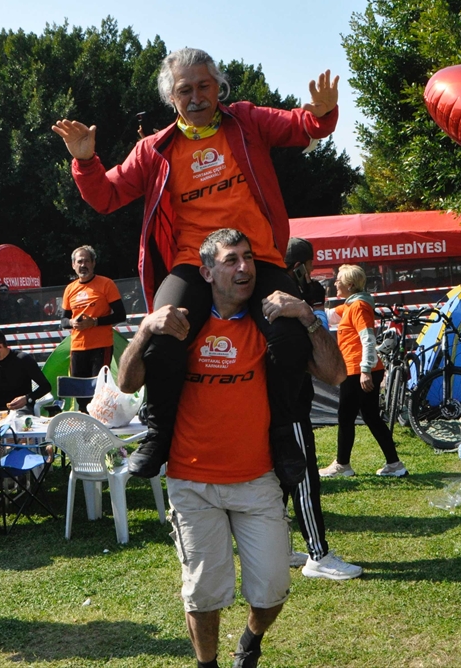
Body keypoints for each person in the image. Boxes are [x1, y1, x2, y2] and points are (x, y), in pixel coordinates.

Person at [52, 47, 340, 487]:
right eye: (185, 89)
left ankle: (282, 434)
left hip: (258, 259)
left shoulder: (246, 121)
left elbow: (301, 126)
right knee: (163, 333)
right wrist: (86, 161)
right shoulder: (155, 149)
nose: (196, 96)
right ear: (173, 98)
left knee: (287, 334)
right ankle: (160, 432)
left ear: (218, 88)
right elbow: (106, 196)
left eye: (204, 86)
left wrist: (321, 113)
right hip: (192, 264)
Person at [116, 228, 345, 668]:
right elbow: (127, 382)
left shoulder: (269, 327)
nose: (243, 267)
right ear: (206, 271)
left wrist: (306, 315)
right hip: (193, 481)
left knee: (273, 590)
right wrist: (145, 328)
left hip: (258, 480)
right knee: (203, 595)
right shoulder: (183, 328)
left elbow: (334, 374)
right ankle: (208, 665)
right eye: (230, 260)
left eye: (248, 258)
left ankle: (251, 639)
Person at [282, 238, 362, 580]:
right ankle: (318, 554)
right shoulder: (288, 294)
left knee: (280, 481)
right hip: (287, 402)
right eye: (310, 265)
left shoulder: (290, 290)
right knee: (303, 479)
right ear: (301, 265)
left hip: (277, 401)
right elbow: (323, 360)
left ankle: (281, 548)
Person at [319, 264, 406, 478]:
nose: (335, 283)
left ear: (349, 284)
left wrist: (365, 370)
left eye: (338, 279)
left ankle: (342, 465)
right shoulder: (350, 305)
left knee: (346, 417)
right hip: (359, 369)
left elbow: (368, 340)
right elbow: (327, 315)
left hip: (359, 370)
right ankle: (394, 464)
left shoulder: (358, 306)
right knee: (371, 417)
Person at [63, 245, 126, 383]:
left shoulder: (106, 284)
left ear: (93, 263)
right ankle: (81, 406)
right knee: (79, 391)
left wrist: (95, 322)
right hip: (77, 347)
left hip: (101, 346)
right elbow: (63, 320)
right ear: (73, 265)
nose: (83, 265)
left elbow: (121, 315)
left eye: (86, 261)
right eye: (79, 262)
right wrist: (71, 322)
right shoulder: (69, 289)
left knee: (99, 391)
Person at [0, 326, 52, 414]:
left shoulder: (23, 359)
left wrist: (27, 398)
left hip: (22, 409)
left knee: (15, 418)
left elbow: (46, 386)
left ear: (0, 346)